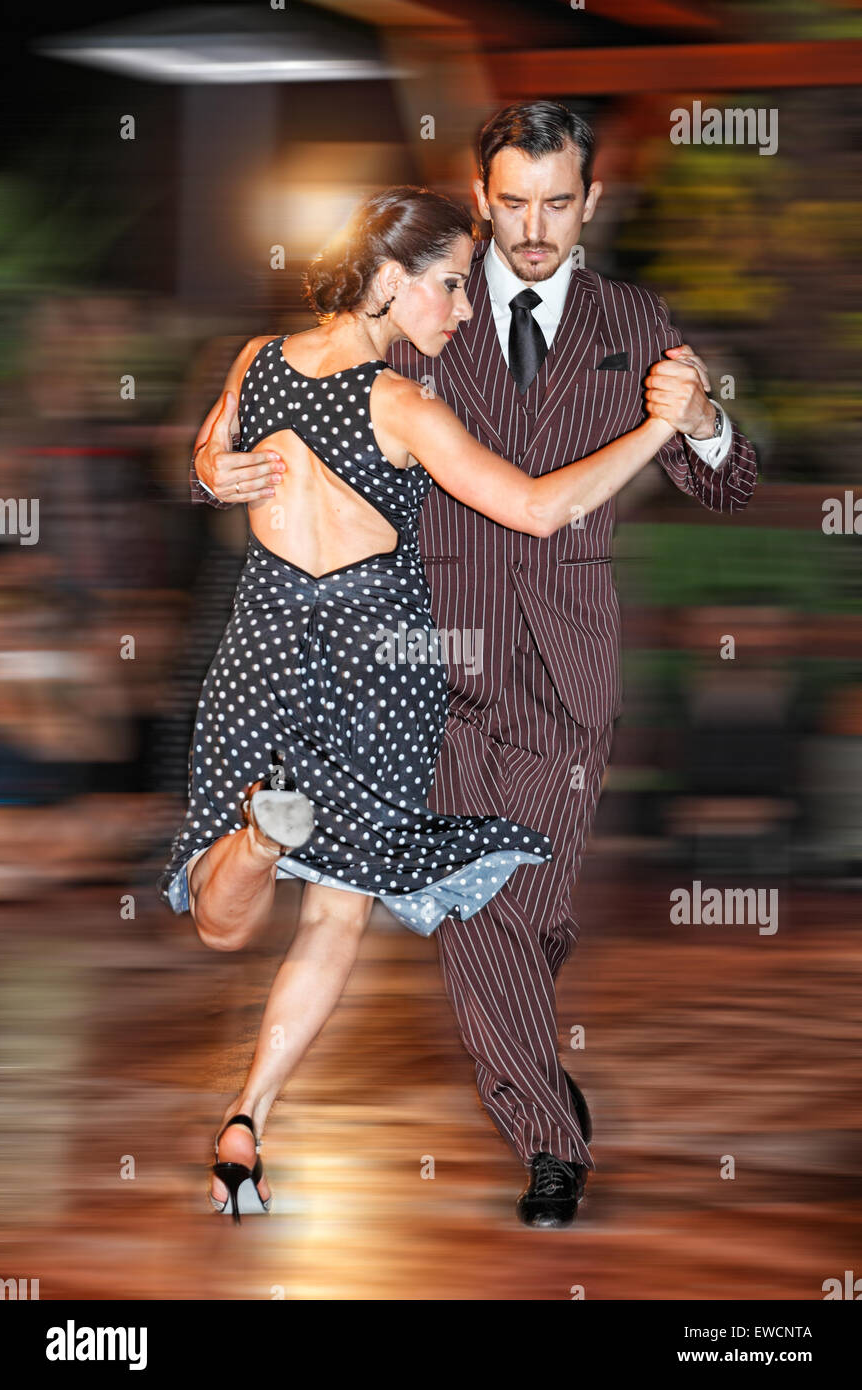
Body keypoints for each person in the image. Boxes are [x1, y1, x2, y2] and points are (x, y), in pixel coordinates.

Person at [169, 179, 681, 1223]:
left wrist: (207, 473)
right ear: (391, 280)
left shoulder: (256, 359)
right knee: (334, 919)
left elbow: (210, 456)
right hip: (374, 674)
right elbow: (537, 511)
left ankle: (247, 1104)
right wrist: (652, 431)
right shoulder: (399, 404)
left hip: (263, 650)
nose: (458, 308)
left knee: (222, 920)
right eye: (448, 285)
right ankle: (248, 1097)